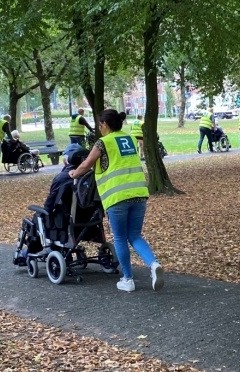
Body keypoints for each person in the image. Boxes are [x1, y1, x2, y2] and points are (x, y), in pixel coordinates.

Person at [69, 109, 164, 293]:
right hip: (139, 194)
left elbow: (87, 163)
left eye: (99, 124)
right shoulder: (128, 138)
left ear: (104, 125)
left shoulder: (103, 142)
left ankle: (128, 279)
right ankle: (153, 264)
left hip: (117, 197)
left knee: (120, 237)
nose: (99, 128)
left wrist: (74, 173)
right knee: (135, 235)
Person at [44, 144, 87, 215]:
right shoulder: (90, 175)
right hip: (91, 218)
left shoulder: (61, 178)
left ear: (65, 161)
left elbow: (51, 202)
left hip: (66, 220)